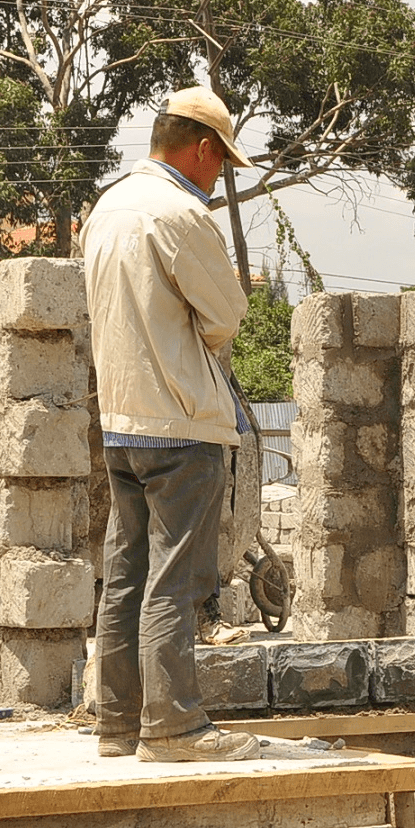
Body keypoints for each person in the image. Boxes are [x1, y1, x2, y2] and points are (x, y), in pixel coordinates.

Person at [83, 85, 260, 762]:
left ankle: (118, 725)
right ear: (203, 146)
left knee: (124, 575)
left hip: (121, 422)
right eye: (221, 162)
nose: (220, 176)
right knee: (175, 580)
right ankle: (175, 728)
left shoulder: (108, 206)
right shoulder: (178, 212)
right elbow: (225, 316)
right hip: (181, 422)